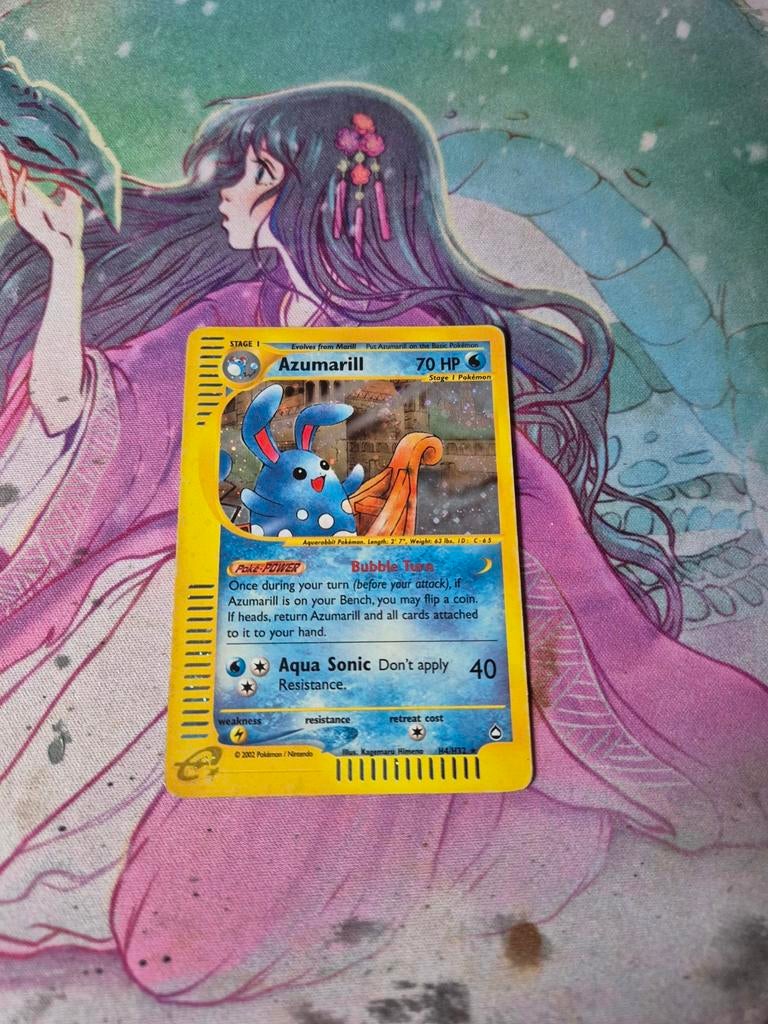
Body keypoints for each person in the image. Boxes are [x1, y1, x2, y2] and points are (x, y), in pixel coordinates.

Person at [0, 82, 765, 1004]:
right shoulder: (240, 310)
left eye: (249, 173)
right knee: (135, 609)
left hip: (366, 656)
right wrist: (67, 265)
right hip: (223, 603)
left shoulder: (422, 338)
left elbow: (433, 568)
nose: (226, 193)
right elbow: (80, 409)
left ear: (310, 191)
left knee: (191, 920)